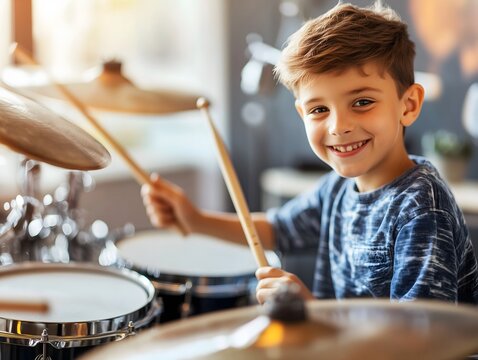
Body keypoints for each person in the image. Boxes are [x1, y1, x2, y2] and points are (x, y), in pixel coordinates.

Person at [142, 3, 478, 305]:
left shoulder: (421, 206)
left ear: (409, 105)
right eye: (319, 109)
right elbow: (279, 228)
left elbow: (420, 342)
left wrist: (314, 314)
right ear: (302, 115)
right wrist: (195, 219)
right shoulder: (337, 189)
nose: (338, 126)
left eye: (362, 102)